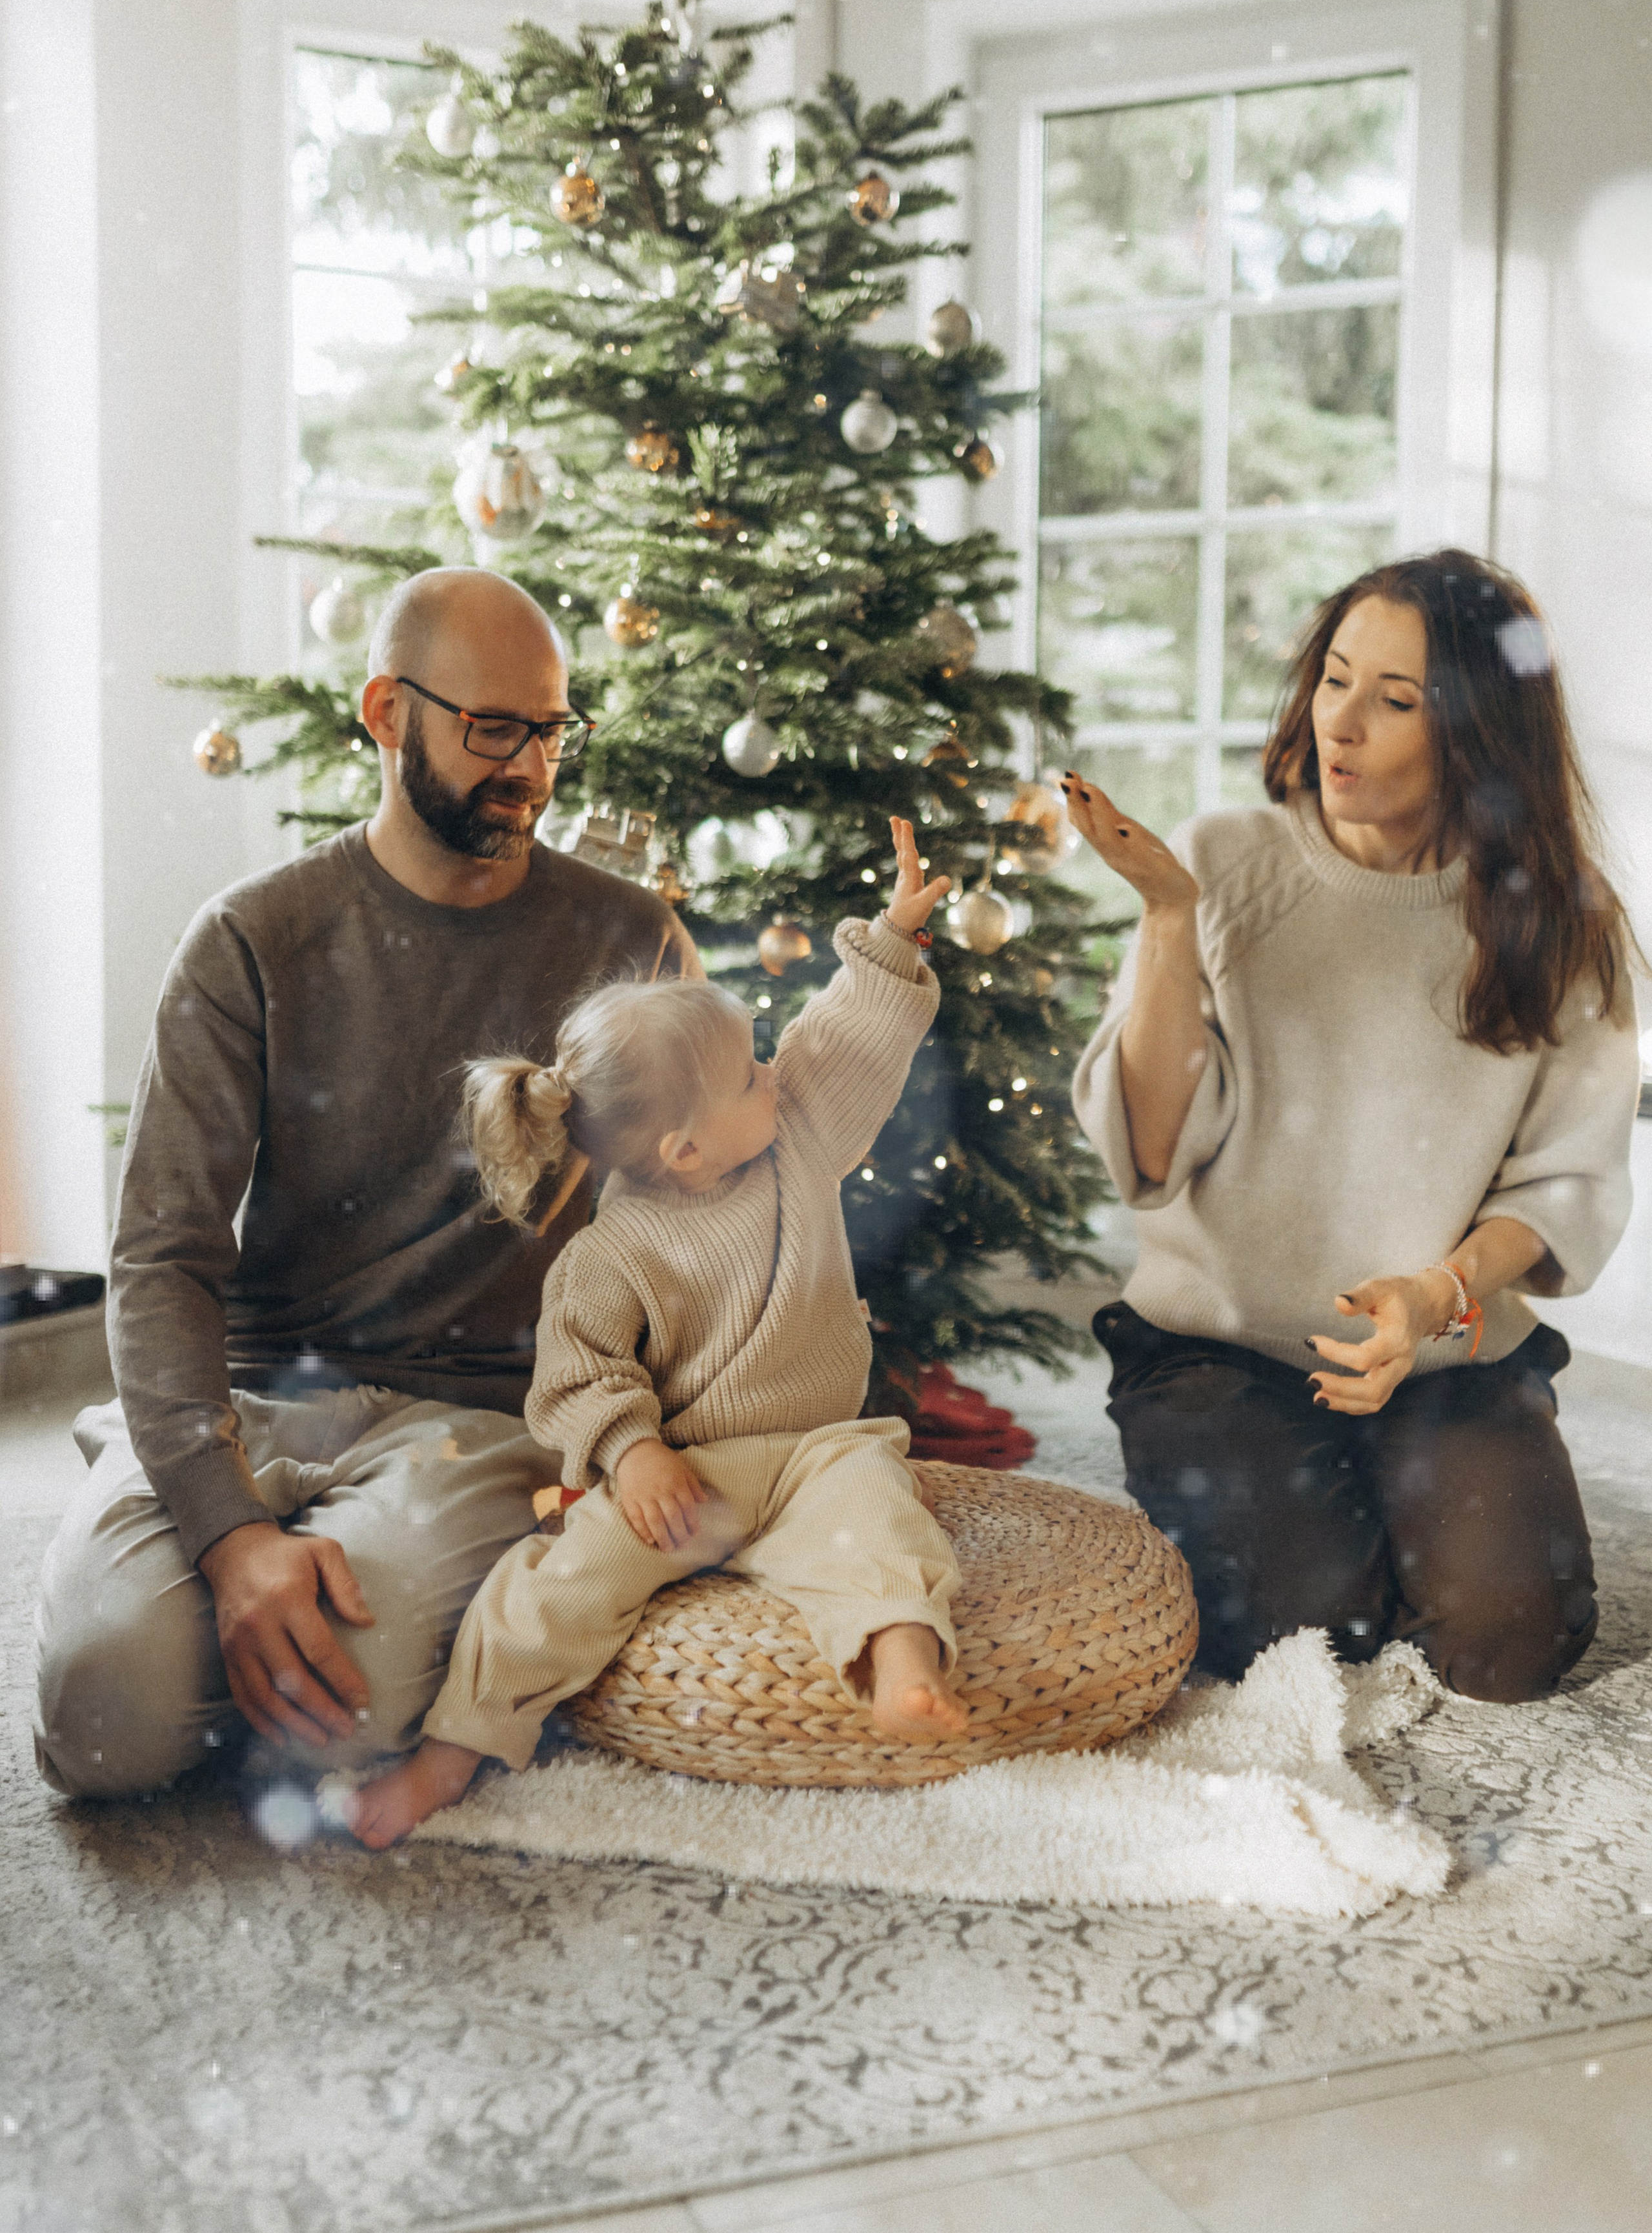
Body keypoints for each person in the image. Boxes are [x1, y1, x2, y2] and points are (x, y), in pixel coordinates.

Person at [33, 567, 698, 1799]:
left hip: (477, 1419)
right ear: (387, 712)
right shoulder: (250, 939)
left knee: (333, 1715)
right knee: (100, 1719)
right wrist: (230, 1535)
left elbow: (702, 1214)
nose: (531, 768)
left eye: (552, 730)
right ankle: (175, 1524)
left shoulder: (632, 941)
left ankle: (260, 1612)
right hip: (252, 1393)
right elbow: (163, 1257)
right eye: (492, 728)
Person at [1062, 549, 1641, 1701]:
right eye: (1334, 679)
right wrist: (1171, 918)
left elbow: (1562, 1183)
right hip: (1223, 1350)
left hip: (1445, 1344)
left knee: (1511, 1642)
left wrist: (1433, 1296)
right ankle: (1326, 1510)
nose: (1342, 721)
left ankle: (1398, 1485)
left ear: (1477, 729)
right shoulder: (1223, 862)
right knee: (1303, 1639)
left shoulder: (1565, 922)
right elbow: (1155, 1152)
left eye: (1396, 699)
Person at [347, 818, 967, 1849]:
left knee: (882, 1518)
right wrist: (632, 1452)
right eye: (750, 1075)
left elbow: (841, 1039)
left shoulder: (797, 1132)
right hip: (688, 1478)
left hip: (816, 1451)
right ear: (683, 1149)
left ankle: (902, 1663)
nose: (775, 1073)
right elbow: (578, 1372)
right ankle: (450, 1753)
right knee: (556, 1581)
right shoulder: (613, 1250)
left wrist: (893, 939)